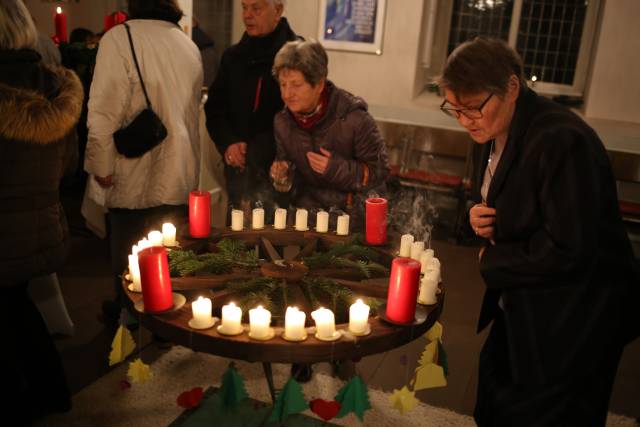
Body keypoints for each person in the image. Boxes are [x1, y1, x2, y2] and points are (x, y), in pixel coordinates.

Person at [438, 37, 639, 426]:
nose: (465, 120)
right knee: (497, 400)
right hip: (527, 297)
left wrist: (492, 258)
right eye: (454, 109)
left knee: (548, 414)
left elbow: (569, 247)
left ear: (512, 87)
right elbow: (507, 196)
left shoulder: (561, 140)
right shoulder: (491, 128)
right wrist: (478, 215)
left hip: (576, 312)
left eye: (473, 107)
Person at [85, 0, 203, 324]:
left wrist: (101, 167)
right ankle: (166, 330)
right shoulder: (187, 44)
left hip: (133, 167)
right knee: (169, 258)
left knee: (129, 260)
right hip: (180, 169)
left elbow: (103, 112)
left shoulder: (118, 38)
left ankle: (129, 328)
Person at [0, 0, 82, 420]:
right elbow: (69, 167)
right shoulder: (56, 88)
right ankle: (52, 391)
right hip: (44, 227)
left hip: (5, 237)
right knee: (17, 307)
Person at [270, 40, 389, 230]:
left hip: (351, 221)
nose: (286, 93)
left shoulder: (354, 119)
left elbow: (380, 173)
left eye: (296, 85)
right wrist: (283, 173)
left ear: (319, 84)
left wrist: (335, 168)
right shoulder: (283, 122)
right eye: (283, 85)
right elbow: (289, 170)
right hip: (308, 219)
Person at [205, 0, 298, 222]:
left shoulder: (296, 55)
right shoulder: (233, 57)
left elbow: (299, 117)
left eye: (256, 8)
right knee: (235, 249)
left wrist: (265, 152)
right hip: (239, 171)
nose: (247, 15)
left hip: (278, 173)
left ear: (278, 10)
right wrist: (228, 143)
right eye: (244, 7)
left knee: (274, 249)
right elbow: (215, 109)